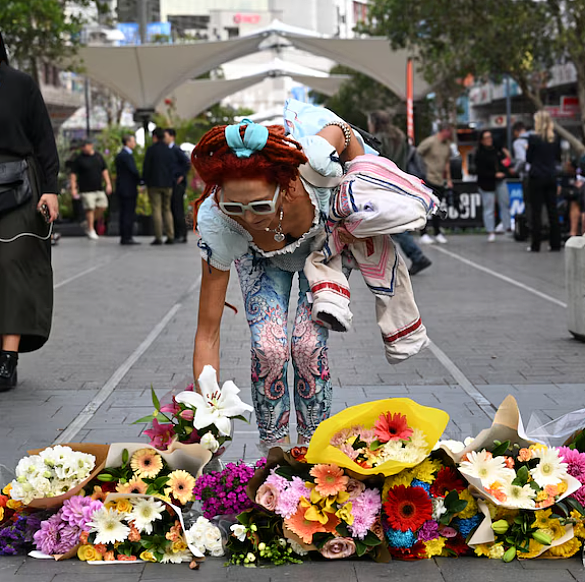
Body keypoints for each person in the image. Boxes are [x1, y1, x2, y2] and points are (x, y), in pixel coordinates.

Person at [190, 102, 368, 451]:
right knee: (268, 348)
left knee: (307, 344)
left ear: (284, 187)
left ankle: (313, 451)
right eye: (234, 206)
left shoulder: (311, 159)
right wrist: (208, 413)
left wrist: (363, 186)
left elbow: (344, 130)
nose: (248, 218)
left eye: (258, 205)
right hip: (261, 260)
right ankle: (274, 453)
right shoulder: (218, 222)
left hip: (324, 246)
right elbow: (207, 332)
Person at [0, 30, 60, 390]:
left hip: (20, 190)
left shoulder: (21, 84)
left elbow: (43, 139)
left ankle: (8, 357)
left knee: (12, 266)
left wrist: (50, 190)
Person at [369, 110, 431, 275]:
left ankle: (416, 256)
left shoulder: (379, 140)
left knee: (390, 223)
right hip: (399, 182)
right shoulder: (399, 137)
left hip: (384, 183)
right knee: (390, 222)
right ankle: (409, 257)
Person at [526, 110, 562, 251]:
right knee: (553, 211)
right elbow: (558, 158)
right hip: (551, 176)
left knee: (536, 212)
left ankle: (536, 244)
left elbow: (529, 159)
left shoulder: (533, 138)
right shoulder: (555, 139)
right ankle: (555, 243)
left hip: (536, 176)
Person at [417, 123, 454, 244]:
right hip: (428, 178)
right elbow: (417, 153)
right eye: (449, 131)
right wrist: (421, 170)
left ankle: (437, 232)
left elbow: (447, 162)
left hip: (439, 180)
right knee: (426, 207)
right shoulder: (430, 142)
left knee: (438, 207)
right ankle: (423, 233)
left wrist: (448, 179)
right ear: (444, 131)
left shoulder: (447, 145)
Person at [474, 130, 512, 242]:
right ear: (481, 141)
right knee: (488, 207)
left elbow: (506, 163)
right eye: (486, 138)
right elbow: (480, 171)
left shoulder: (497, 151)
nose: (489, 140)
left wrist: (504, 170)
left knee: (505, 203)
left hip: (500, 181)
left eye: (490, 137)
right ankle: (490, 231)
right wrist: (494, 174)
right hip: (487, 183)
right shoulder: (480, 154)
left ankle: (507, 227)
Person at [70, 139, 111, 240]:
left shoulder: (98, 156)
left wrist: (108, 183)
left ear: (91, 145)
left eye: (85, 146)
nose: (83, 148)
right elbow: (73, 175)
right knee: (90, 209)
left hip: (98, 188)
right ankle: (91, 229)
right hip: (86, 189)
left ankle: (88, 223)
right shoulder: (79, 159)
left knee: (103, 206)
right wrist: (73, 188)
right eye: (82, 147)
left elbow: (104, 171)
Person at [142, 127, 176, 245]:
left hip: (154, 183)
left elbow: (146, 167)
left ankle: (158, 237)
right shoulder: (169, 150)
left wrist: (144, 180)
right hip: (168, 184)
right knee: (167, 209)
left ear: (154, 137)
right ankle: (171, 235)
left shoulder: (151, 150)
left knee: (156, 209)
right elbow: (173, 167)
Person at [165, 128, 191, 244]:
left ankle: (182, 233)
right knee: (172, 207)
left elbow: (187, 162)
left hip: (178, 183)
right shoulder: (167, 149)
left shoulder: (176, 149)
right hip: (171, 182)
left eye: (166, 136)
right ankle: (176, 233)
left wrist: (181, 175)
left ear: (171, 137)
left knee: (178, 208)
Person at [114, 134, 141, 245]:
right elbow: (133, 171)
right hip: (128, 189)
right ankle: (127, 236)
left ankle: (124, 236)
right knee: (128, 213)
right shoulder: (126, 156)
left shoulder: (120, 155)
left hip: (122, 188)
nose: (134, 144)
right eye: (133, 141)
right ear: (128, 142)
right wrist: (141, 180)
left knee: (124, 213)